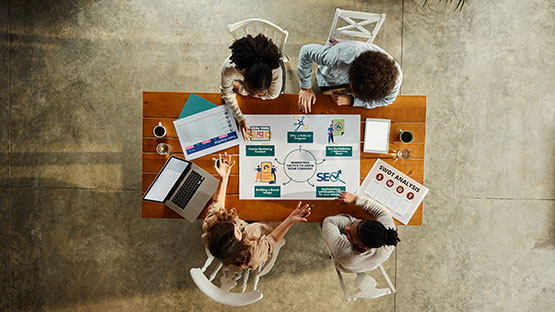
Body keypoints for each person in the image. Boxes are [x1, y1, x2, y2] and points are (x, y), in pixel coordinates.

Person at [202, 153, 311, 270]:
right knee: (281, 210)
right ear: (240, 245)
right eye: (237, 231)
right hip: (262, 229)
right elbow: (272, 239)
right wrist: (290, 220)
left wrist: (224, 177)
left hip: (248, 222)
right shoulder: (254, 256)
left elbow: (217, 203)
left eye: (231, 224)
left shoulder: (212, 226)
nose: (236, 224)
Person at [297, 40, 402, 113]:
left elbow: (387, 100)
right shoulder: (338, 57)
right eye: (354, 91)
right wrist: (305, 88)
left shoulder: (394, 81)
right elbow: (306, 52)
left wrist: (352, 101)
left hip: (340, 95)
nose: (354, 95)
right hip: (326, 80)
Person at [221, 34, 283, 140]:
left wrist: (242, 91)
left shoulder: (276, 70)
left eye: (262, 94)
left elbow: (273, 95)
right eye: (252, 92)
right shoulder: (229, 68)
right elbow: (225, 92)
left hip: (249, 84)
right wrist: (239, 117)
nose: (254, 96)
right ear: (244, 80)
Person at [322, 191, 400, 273]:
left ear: (362, 246)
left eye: (350, 235)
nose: (346, 229)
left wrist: (352, 221)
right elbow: (383, 212)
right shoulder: (387, 236)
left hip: (344, 264)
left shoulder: (344, 253)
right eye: (354, 224)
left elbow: (329, 221)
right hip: (368, 263)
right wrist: (355, 199)